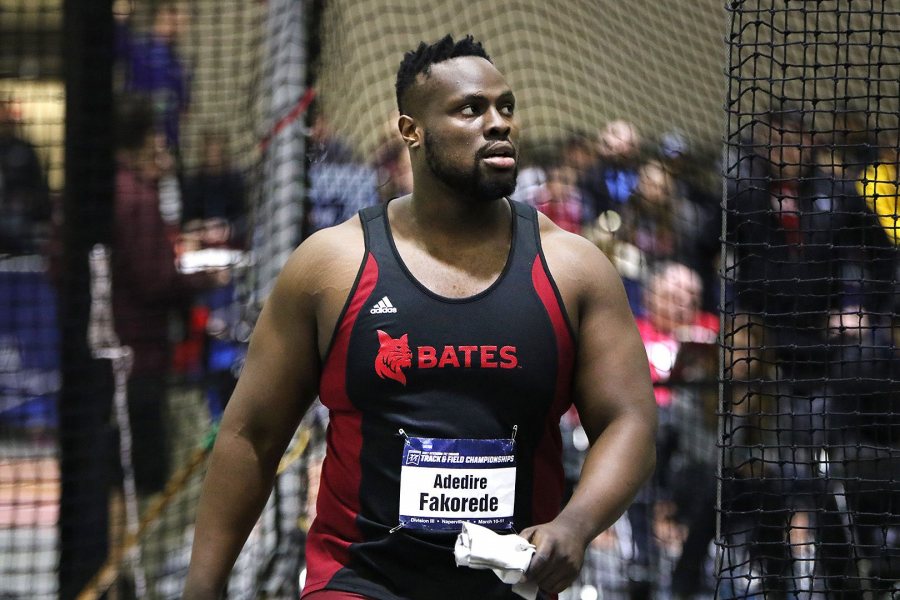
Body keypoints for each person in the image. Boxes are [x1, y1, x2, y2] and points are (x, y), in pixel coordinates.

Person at [184, 34, 657, 600]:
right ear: (411, 130)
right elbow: (251, 435)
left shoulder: (574, 268)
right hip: (360, 580)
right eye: (470, 109)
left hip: (512, 584)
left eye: (505, 107)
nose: (498, 122)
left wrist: (574, 528)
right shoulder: (332, 265)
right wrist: (202, 590)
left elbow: (629, 421)